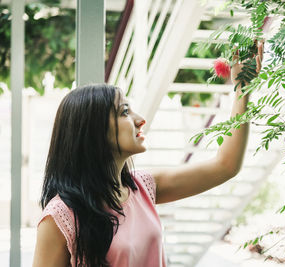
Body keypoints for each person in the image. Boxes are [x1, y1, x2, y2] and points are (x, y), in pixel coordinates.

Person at [32, 41, 264, 267]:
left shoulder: (141, 187)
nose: (140, 120)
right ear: (93, 130)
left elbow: (226, 165)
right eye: (124, 111)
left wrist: (242, 88)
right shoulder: (60, 217)